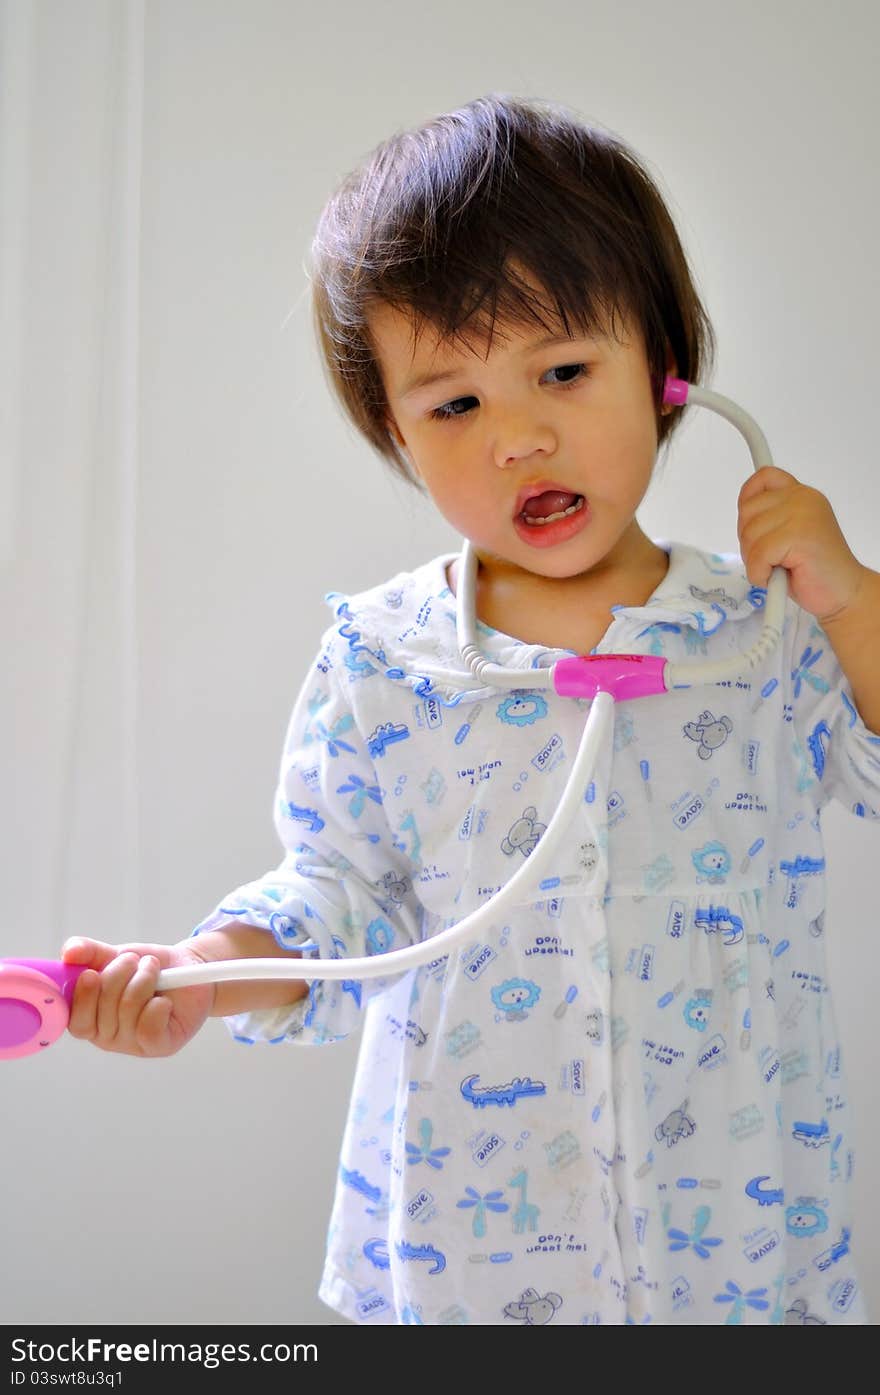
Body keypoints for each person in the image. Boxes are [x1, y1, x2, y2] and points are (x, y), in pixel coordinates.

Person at [60, 93, 879, 1325]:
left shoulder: (763, 630)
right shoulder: (384, 657)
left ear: (665, 376)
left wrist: (855, 602)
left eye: (562, 371)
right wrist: (198, 976)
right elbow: (339, 898)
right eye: (455, 405)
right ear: (395, 430)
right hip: (472, 1259)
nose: (520, 437)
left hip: (740, 1253)